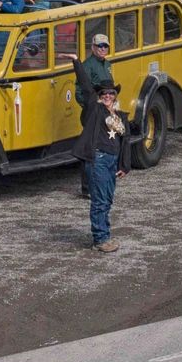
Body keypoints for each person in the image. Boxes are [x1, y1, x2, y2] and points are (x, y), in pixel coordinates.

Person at [75, 82, 131, 251]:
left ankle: (105, 235)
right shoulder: (96, 110)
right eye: (103, 94)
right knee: (99, 200)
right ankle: (100, 239)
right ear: (99, 97)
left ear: (115, 96)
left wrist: (124, 165)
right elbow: (86, 89)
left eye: (111, 93)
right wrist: (76, 62)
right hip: (98, 159)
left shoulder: (120, 116)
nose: (107, 96)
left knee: (107, 199)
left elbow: (125, 141)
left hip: (112, 161)